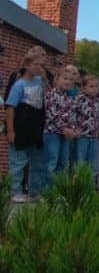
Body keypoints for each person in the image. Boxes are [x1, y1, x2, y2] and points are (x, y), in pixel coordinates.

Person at [5, 52, 48, 202]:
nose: (38, 67)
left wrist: (45, 79)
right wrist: (10, 130)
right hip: (21, 127)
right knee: (18, 161)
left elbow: (47, 98)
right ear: (27, 66)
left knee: (37, 161)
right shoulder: (19, 85)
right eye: (35, 64)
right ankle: (14, 191)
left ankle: (35, 191)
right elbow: (10, 107)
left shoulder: (40, 82)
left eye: (40, 65)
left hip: (35, 128)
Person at [43, 70, 77, 185]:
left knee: (63, 162)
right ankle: (47, 192)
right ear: (57, 79)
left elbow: (73, 116)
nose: (68, 81)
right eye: (65, 78)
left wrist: (72, 130)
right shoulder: (50, 95)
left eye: (70, 80)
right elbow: (52, 114)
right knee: (51, 161)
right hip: (52, 133)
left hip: (66, 135)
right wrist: (64, 129)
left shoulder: (70, 98)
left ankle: (59, 190)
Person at [72, 75, 99, 186]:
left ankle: (90, 186)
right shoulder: (79, 99)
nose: (94, 89)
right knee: (80, 162)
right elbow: (72, 114)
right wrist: (74, 129)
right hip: (82, 136)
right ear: (84, 88)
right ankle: (79, 186)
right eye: (91, 86)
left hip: (94, 137)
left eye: (96, 86)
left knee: (95, 163)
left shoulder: (98, 102)